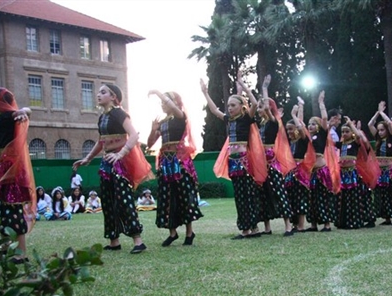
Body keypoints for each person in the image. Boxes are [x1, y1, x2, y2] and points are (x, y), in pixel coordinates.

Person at [73, 84, 153, 254]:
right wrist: (87, 158)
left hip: (120, 163)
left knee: (124, 200)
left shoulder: (119, 113)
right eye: (99, 92)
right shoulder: (102, 118)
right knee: (107, 201)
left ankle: (138, 241)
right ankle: (114, 240)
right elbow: (101, 141)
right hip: (106, 163)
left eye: (103, 92)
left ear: (114, 97)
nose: (98, 95)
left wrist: (121, 154)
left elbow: (133, 135)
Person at [201, 74, 267, 239]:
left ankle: (253, 228)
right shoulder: (230, 120)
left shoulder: (246, 118)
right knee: (239, 196)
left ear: (241, 106)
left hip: (244, 162)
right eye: (228, 105)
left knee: (248, 194)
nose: (229, 108)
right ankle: (245, 229)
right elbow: (215, 110)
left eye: (233, 105)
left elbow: (253, 103)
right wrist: (205, 93)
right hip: (233, 162)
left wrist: (244, 87)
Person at [147, 89, 202, 246]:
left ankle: (189, 233)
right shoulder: (163, 123)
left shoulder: (180, 117)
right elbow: (150, 144)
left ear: (174, 103)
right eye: (162, 102)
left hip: (180, 161)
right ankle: (172, 233)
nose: (163, 104)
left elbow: (173, 106)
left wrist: (158, 92)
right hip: (166, 162)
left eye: (166, 101)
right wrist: (153, 129)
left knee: (184, 195)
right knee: (167, 196)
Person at [0, 87, 36, 261]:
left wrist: (23, 111)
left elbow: (26, 111)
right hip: (4, 166)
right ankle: (5, 248)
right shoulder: (1, 118)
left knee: (13, 208)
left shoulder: (12, 115)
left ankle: (21, 253)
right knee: (3, 209)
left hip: (12, 169)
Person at [256, 75, 295, 236]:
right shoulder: (260, 125)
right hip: (261, 162)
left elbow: (266, 107)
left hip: (272, 161)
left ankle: (288, 226)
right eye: (258, 107)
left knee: (279, 191)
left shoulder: (273, 122)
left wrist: (265, 88)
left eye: (260, 107)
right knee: (263, 193)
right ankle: (267, 227)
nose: (259, 109)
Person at [304, 91, 340, 232]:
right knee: (312, 198)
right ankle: (313, 224)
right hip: (311, 172)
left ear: (319, 126)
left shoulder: (322, 135)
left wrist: (321, 103)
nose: (310, 126)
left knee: (324, 197)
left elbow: (325, 118)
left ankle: (326, 224)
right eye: (309, 124)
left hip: (322, 171)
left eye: (313, 124)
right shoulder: (307, 138)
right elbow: (300, 126)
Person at [368, 101, 392, 225]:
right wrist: (377, 113)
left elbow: (389, 123)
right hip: (380, 170)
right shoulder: (378, 139)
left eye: (382, 130)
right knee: (381, 194)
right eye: (379, 130)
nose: (380, 132)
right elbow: (370, 124)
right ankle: (387, 217)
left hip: (389, 169)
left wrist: (383, 113)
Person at [285, 100, 316, 232]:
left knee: (300, 197)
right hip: (290, 172)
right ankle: (295, 224)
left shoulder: (303, 140)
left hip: (301, 173)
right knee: (291, 197)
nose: (289, 132)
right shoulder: (289, 142)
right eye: (287, 130)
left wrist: (294, 115)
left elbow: (301, 127)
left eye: (291, 129)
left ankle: (301, 225)